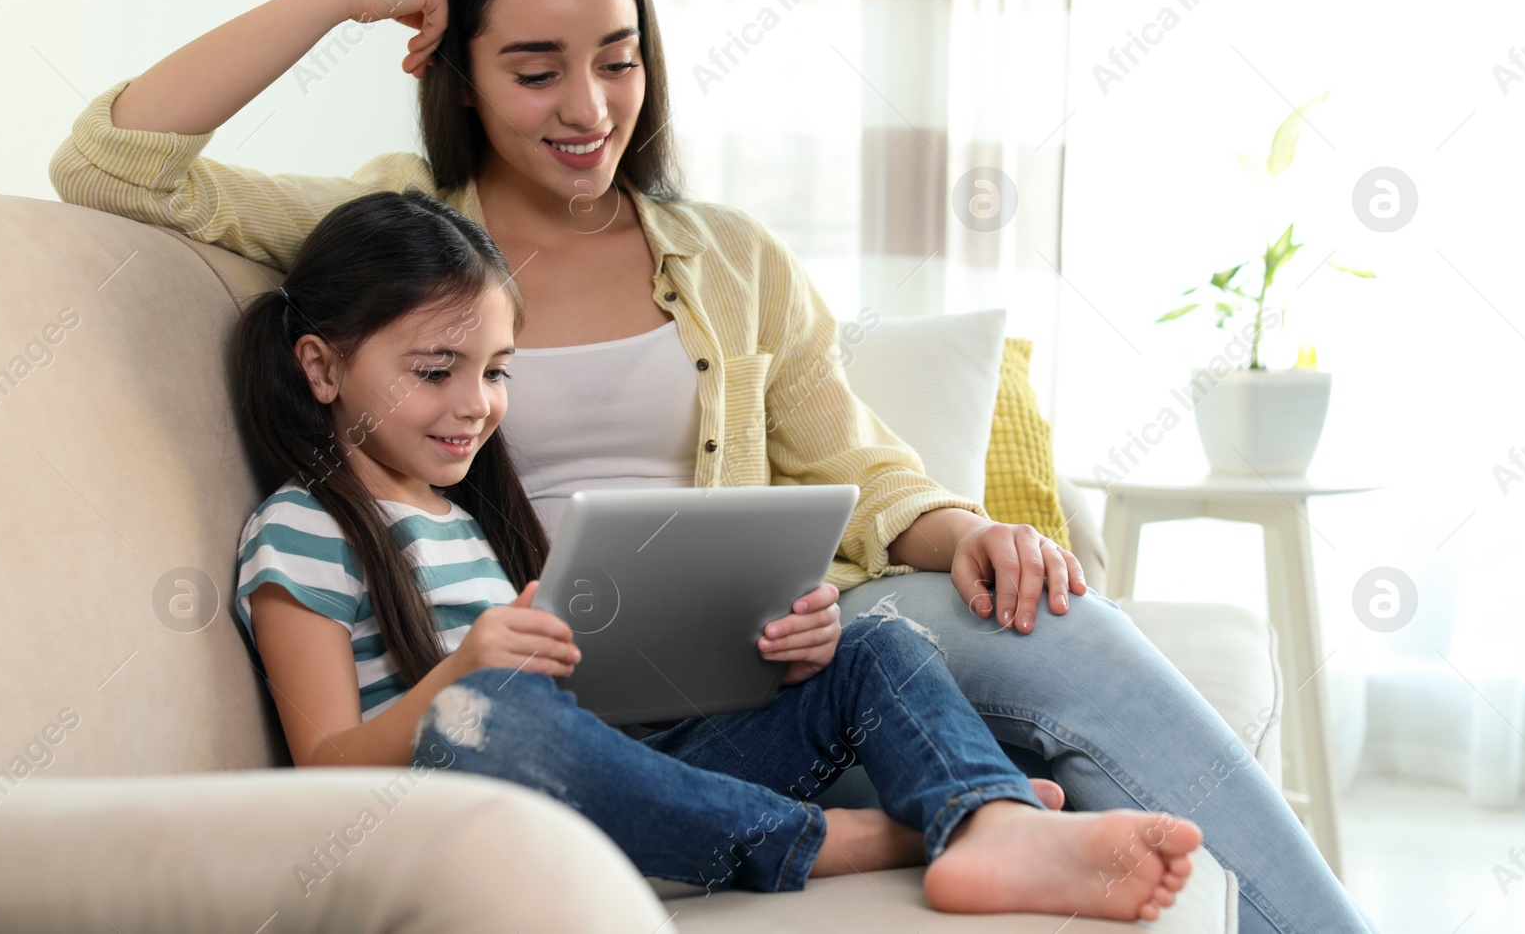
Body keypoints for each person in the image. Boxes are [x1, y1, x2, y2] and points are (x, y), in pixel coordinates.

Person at [49, 0, 1376, 931]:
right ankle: (904, 828)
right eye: (535, 68)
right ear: (456, 72)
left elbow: (859, 464)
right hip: (547, 721)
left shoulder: (732, 256)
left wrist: (961, 527)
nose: (589, 108)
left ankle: (1027, 838)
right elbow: (113, 161)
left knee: (1021, 619)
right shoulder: (387, 233)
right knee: (504, 716)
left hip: (743, 692)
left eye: (618, 61)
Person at [229, 187, 1200, 916]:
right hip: (463, 814)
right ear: (320, 365)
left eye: (494, 370)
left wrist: (769, 648)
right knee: (492, 710)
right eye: (435, 371)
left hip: (619, 773)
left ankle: (988, 823)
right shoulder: (303, 530)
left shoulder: (471, 514)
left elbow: (593, 705)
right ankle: (875, 835)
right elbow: (322, 767)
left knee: (872, 643)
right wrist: (460, 679)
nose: (476, 403)